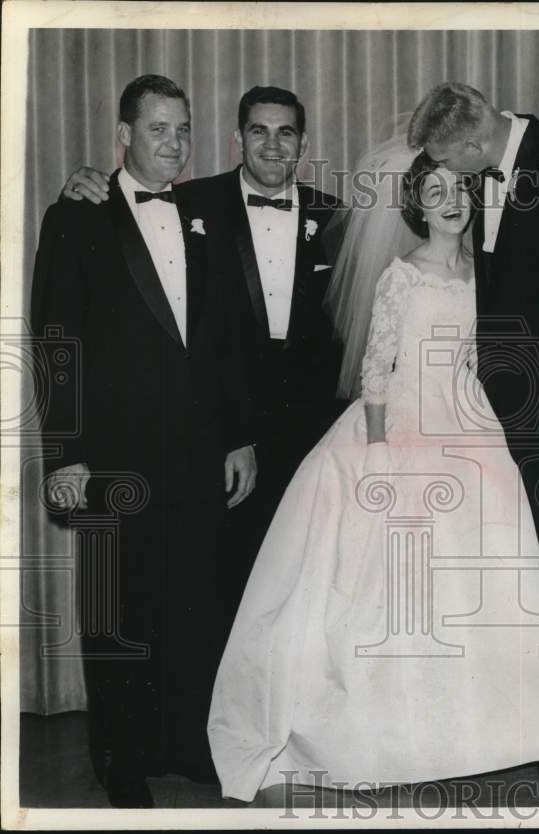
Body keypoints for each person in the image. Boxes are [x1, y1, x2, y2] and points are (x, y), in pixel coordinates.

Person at [207, 150, 539, 800]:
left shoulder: (486, 271)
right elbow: (375, 371)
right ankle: (391, 736)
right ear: (418, 204)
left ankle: (479, 733)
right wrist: (377, 455)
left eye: (459, 188)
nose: (451, 201)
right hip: (401, 429)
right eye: (435, 191)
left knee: (480, 580)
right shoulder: (401, 276)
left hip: (472, 425)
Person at [31, 74, 257, 807]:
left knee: (192, 603)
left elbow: (224, 343)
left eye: (184, 129)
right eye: (158, 128)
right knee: (117, 614)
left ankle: (184, 745)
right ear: (124, 134)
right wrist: (64, 454)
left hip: (197, 453)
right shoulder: (74, 216)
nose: (174, 143)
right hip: (110, 456)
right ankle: (120, 760)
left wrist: (239, 438)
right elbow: (56, 342)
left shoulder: (206, 216)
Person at [61, 86, 348, 620]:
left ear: (303, 143)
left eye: (285, 132)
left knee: (308, 587)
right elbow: (122, 214)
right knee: (219, 588)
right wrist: (78, 183)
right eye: (258, 130)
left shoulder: (337, 217)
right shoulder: (190, 201)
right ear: (238, 138)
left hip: (313, 432)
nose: (272, 144)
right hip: (220, 432)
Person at [407, 82, 539, 772]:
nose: (459, 184)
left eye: (459, 167)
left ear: (476, 143)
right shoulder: (495, 167)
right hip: (515, 418)